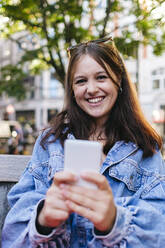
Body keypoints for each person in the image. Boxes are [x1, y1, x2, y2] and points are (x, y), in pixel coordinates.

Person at [2, 36, 165, 248]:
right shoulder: (50, 142)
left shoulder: (144, 147)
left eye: (101, 77)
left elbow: (159, 229)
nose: (91, 89)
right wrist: (42, 221)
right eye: (81, 81)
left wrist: (115, 220)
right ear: (72, 89)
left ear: (119, 81)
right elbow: (12, 232)